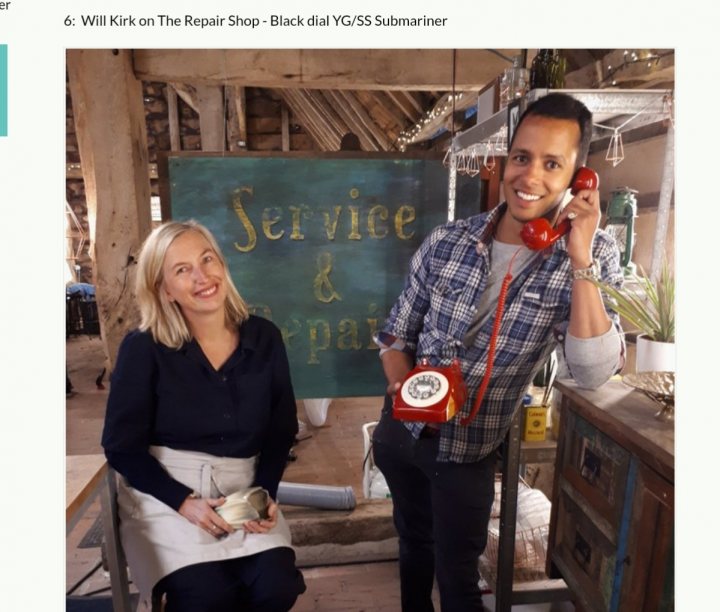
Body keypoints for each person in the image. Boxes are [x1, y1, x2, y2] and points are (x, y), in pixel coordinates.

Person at [371, 93, 625, 611]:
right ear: (505, 160)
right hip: (403, 433)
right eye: (522, 157)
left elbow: (594, 370)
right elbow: (395, 336)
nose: (530, 176)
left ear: (580, 178)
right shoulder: (447, 240)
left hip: (468, 451)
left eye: (552, 164)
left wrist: (578, 255)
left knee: (459, 575)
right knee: (413, 546)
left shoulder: (590, 255)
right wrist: (409, 390)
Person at [101, 220, 306, 611]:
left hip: (243, 488)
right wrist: (183, 501)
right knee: (206, 596)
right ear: (164, 290)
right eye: (182, 270)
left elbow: (281, 431)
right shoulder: (143, 348)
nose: (202, 277)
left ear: (222, 264)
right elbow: (120, 447)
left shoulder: (265, 337)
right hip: (166, 496)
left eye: (207, 259)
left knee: (275, 586)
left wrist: (265, 493)